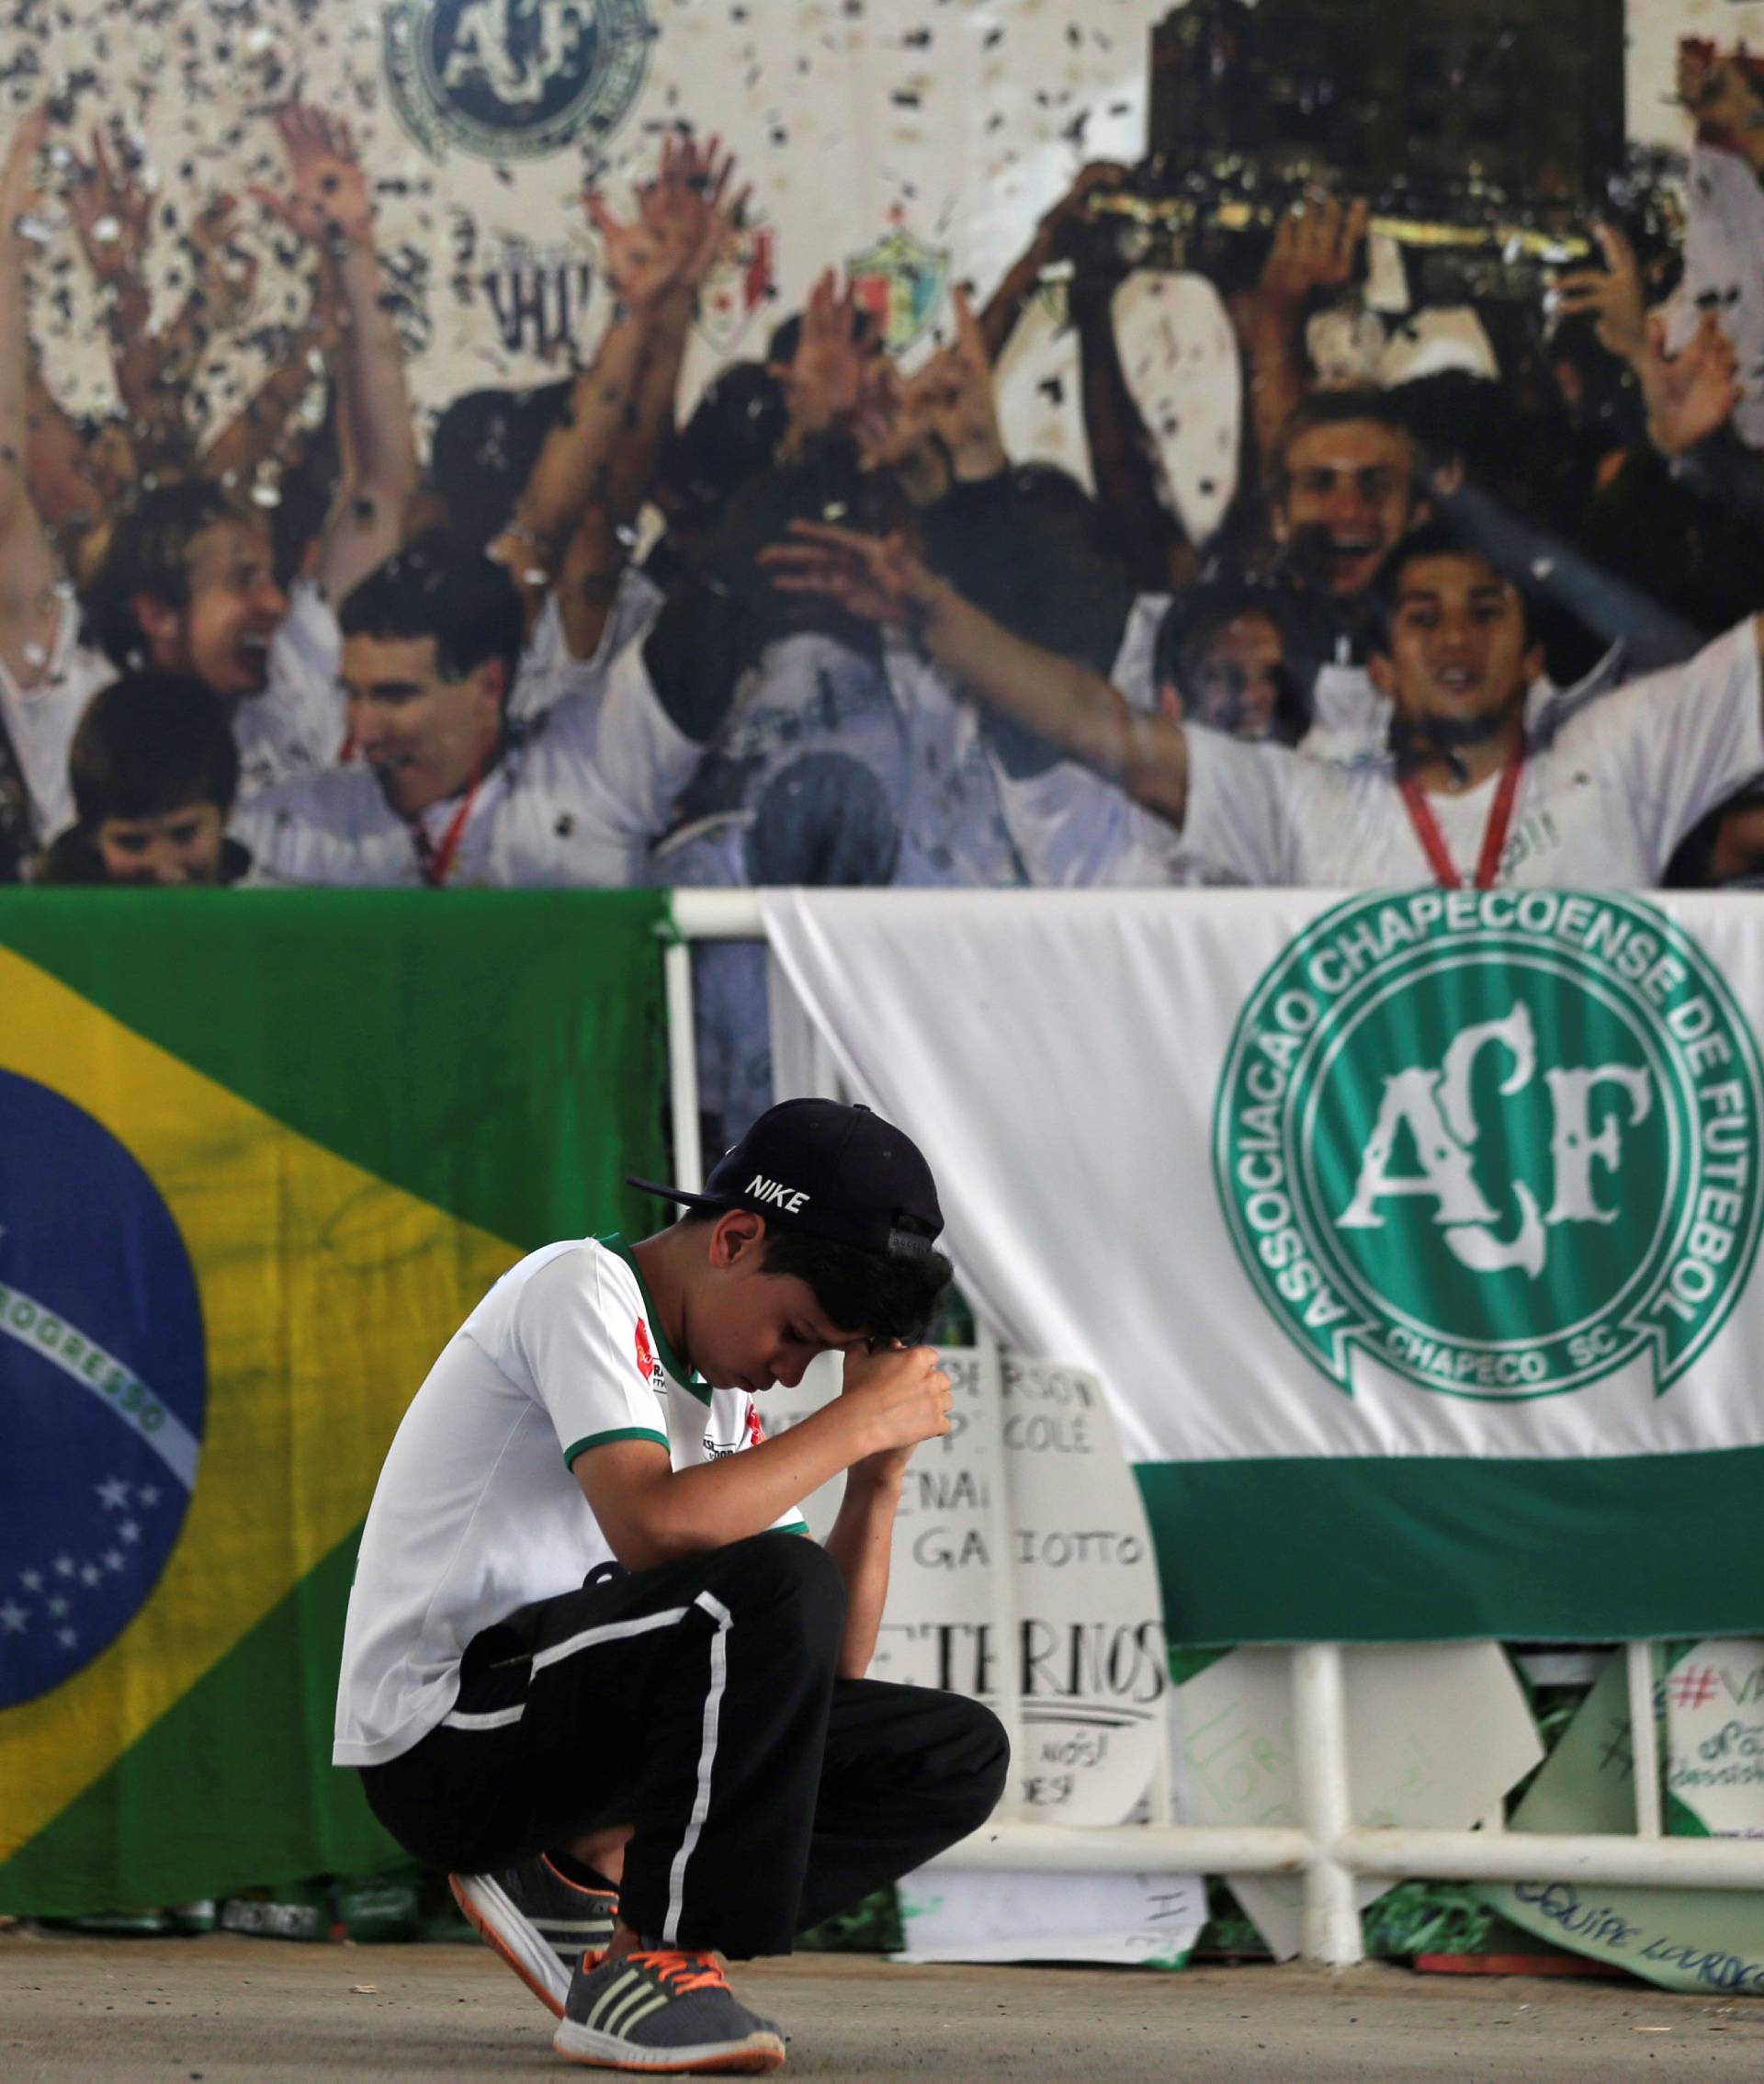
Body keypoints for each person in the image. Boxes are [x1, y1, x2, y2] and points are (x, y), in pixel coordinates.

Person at [334, 1099, 1008, 2072]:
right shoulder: (579, 1286)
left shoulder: (727, 1389)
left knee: (951, 1755)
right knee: (774, 1580)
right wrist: (849, 1427)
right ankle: (653, 1955)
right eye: (797, 1334)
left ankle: (590, 1878)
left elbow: (822, 1671)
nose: (792, 1372)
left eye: (821, 1356)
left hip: (563, 1745)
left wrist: (879, 1477)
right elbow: (653, 1527)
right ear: (735, 1236)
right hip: (449, 1739)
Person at [763, 515, 1764, 890]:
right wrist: (934, 614)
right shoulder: (1311, 803)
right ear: (1378, 668)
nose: (1457, 640)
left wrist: (1708, 468)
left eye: (1486, 614)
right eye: (1423, 618)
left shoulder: (1620, 758)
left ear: (1535, 654)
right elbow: (1095, 726)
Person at [232, 537, 716, 888]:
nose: (362, 733)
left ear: (489, 687)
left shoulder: (588, 770)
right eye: (352, 695)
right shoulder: (300, 822)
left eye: (394, 697)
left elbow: (713, 617)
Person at [35, 671, 251, 886]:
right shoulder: (31, 918)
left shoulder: (265, 909)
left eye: (184, 834)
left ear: (227, 812)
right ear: (91, 836)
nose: (165, 872)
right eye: (132, 843)